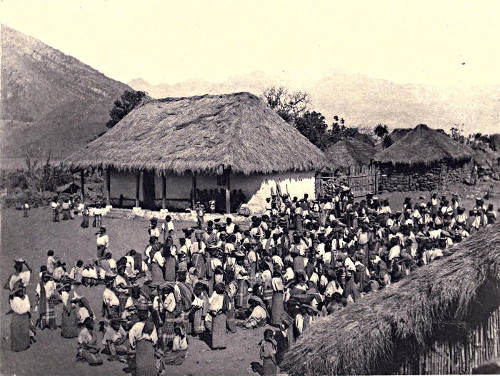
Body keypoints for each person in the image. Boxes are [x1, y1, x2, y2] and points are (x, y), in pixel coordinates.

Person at [9, 282, 34, 351]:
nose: (21, 292)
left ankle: (25, 345)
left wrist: (28, 314)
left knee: (25, 331)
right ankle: (18, 347)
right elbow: (11, 295)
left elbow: (28, 307)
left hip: (25, 316)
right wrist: (16, 290)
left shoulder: (26, 297)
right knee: (17, 331)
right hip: (17, 317)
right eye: (19, 291)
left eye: (22, 290)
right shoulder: (14, 299)